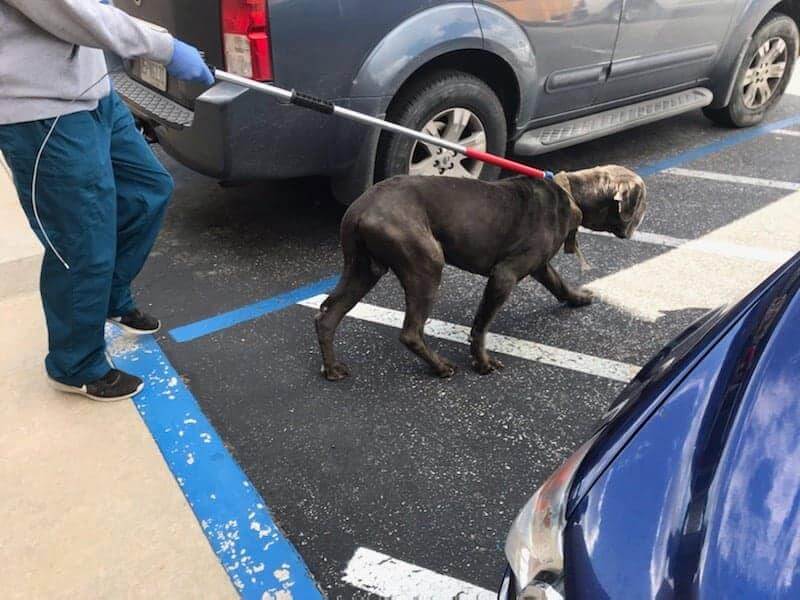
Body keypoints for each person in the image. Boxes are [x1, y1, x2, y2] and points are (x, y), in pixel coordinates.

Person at [0, 0, 214, 401]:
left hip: (94, 92)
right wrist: (164, 48)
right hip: (42, 110)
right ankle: (74, 364)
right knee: (80, 241)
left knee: (148, 190)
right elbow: (72, 11)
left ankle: (111, 296)